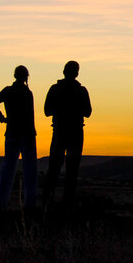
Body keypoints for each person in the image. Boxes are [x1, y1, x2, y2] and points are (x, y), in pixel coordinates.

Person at [42, 60, 92, 206]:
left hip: (60, 132)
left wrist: (61, 110)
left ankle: (48, 201)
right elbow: (88, 112)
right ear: (76, 73)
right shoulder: (81, 91)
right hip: (74, 133)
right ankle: (67, 202)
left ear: (64, 72)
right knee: (72, 170)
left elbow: (47, 111)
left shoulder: (55, 89)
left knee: (54, 169)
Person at [0, 65, 37, 210]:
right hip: (27, 135)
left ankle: (0, 203)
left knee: (8, 169)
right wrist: (2, 118)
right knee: (30, 171)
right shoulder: (28, 93)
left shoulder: (8, 91)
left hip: (12, 133)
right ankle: (30, 204)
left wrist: (3, 118)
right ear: (26, 77)